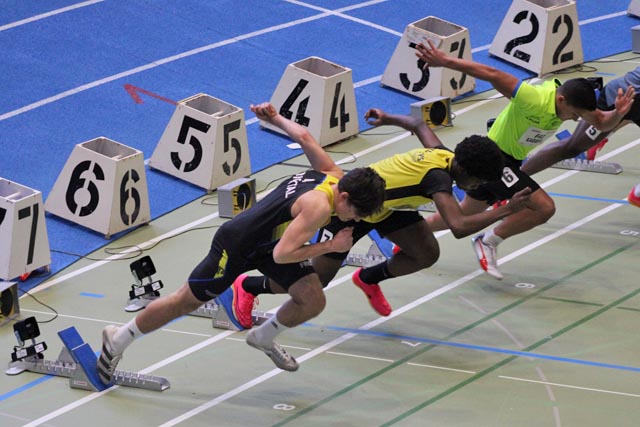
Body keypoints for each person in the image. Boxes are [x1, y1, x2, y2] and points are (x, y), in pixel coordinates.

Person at [96, 102, 386, 383]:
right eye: (357, 213)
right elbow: (285, 255)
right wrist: (330, 247)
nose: (356, 220)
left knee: (312, 298)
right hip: (236, 245)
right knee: (184, 301)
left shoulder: (333, 175)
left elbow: (304, 137)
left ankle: (262, 337)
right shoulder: (319, 206)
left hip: (267, 244)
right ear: (345, 197)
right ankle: (118, 338)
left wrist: (275, 119)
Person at [228, 107, 533, 320]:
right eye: (477, 182)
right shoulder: (438, 181)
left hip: (386, 208)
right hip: (354, 206)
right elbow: (458, 225)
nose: (476, 187)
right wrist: (507, 209)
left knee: (425, 252)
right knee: (317, 282)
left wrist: (388, 117)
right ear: (463, 170)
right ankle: (247, 286)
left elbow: (418, 125)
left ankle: (369, 278)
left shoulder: (446, 156)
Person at [414, 40, 635, 280]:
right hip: (495, 158)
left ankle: (408, 237)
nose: (574, 120)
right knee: (544, 207)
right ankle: (488, 241)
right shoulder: (532, 98)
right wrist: (443, 61)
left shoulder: (573, 102)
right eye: (574, 115)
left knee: (464, 213)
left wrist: (618, 113)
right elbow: (491, 73)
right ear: (561, 100)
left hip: (510, 162)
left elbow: (602, 122)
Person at [522, 67, 640, 175]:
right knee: (572, 147)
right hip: (620, 98)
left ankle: (601, 137)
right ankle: (519, 179)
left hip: (634, 103)